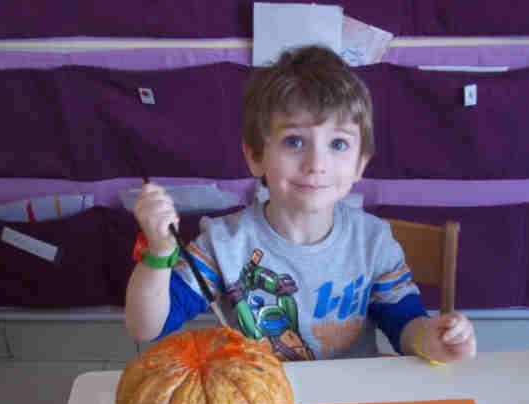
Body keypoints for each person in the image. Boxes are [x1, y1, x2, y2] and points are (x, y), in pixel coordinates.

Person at [125, 45, 476, 363]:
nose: (315, 164)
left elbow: (404, 324)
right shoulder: (223, 245)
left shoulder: (374, 242)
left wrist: (427, 337)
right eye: (294, 141)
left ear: (360, 164)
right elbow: (147, 328)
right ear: (255, 157)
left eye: (337, 144)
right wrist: (158, 254)